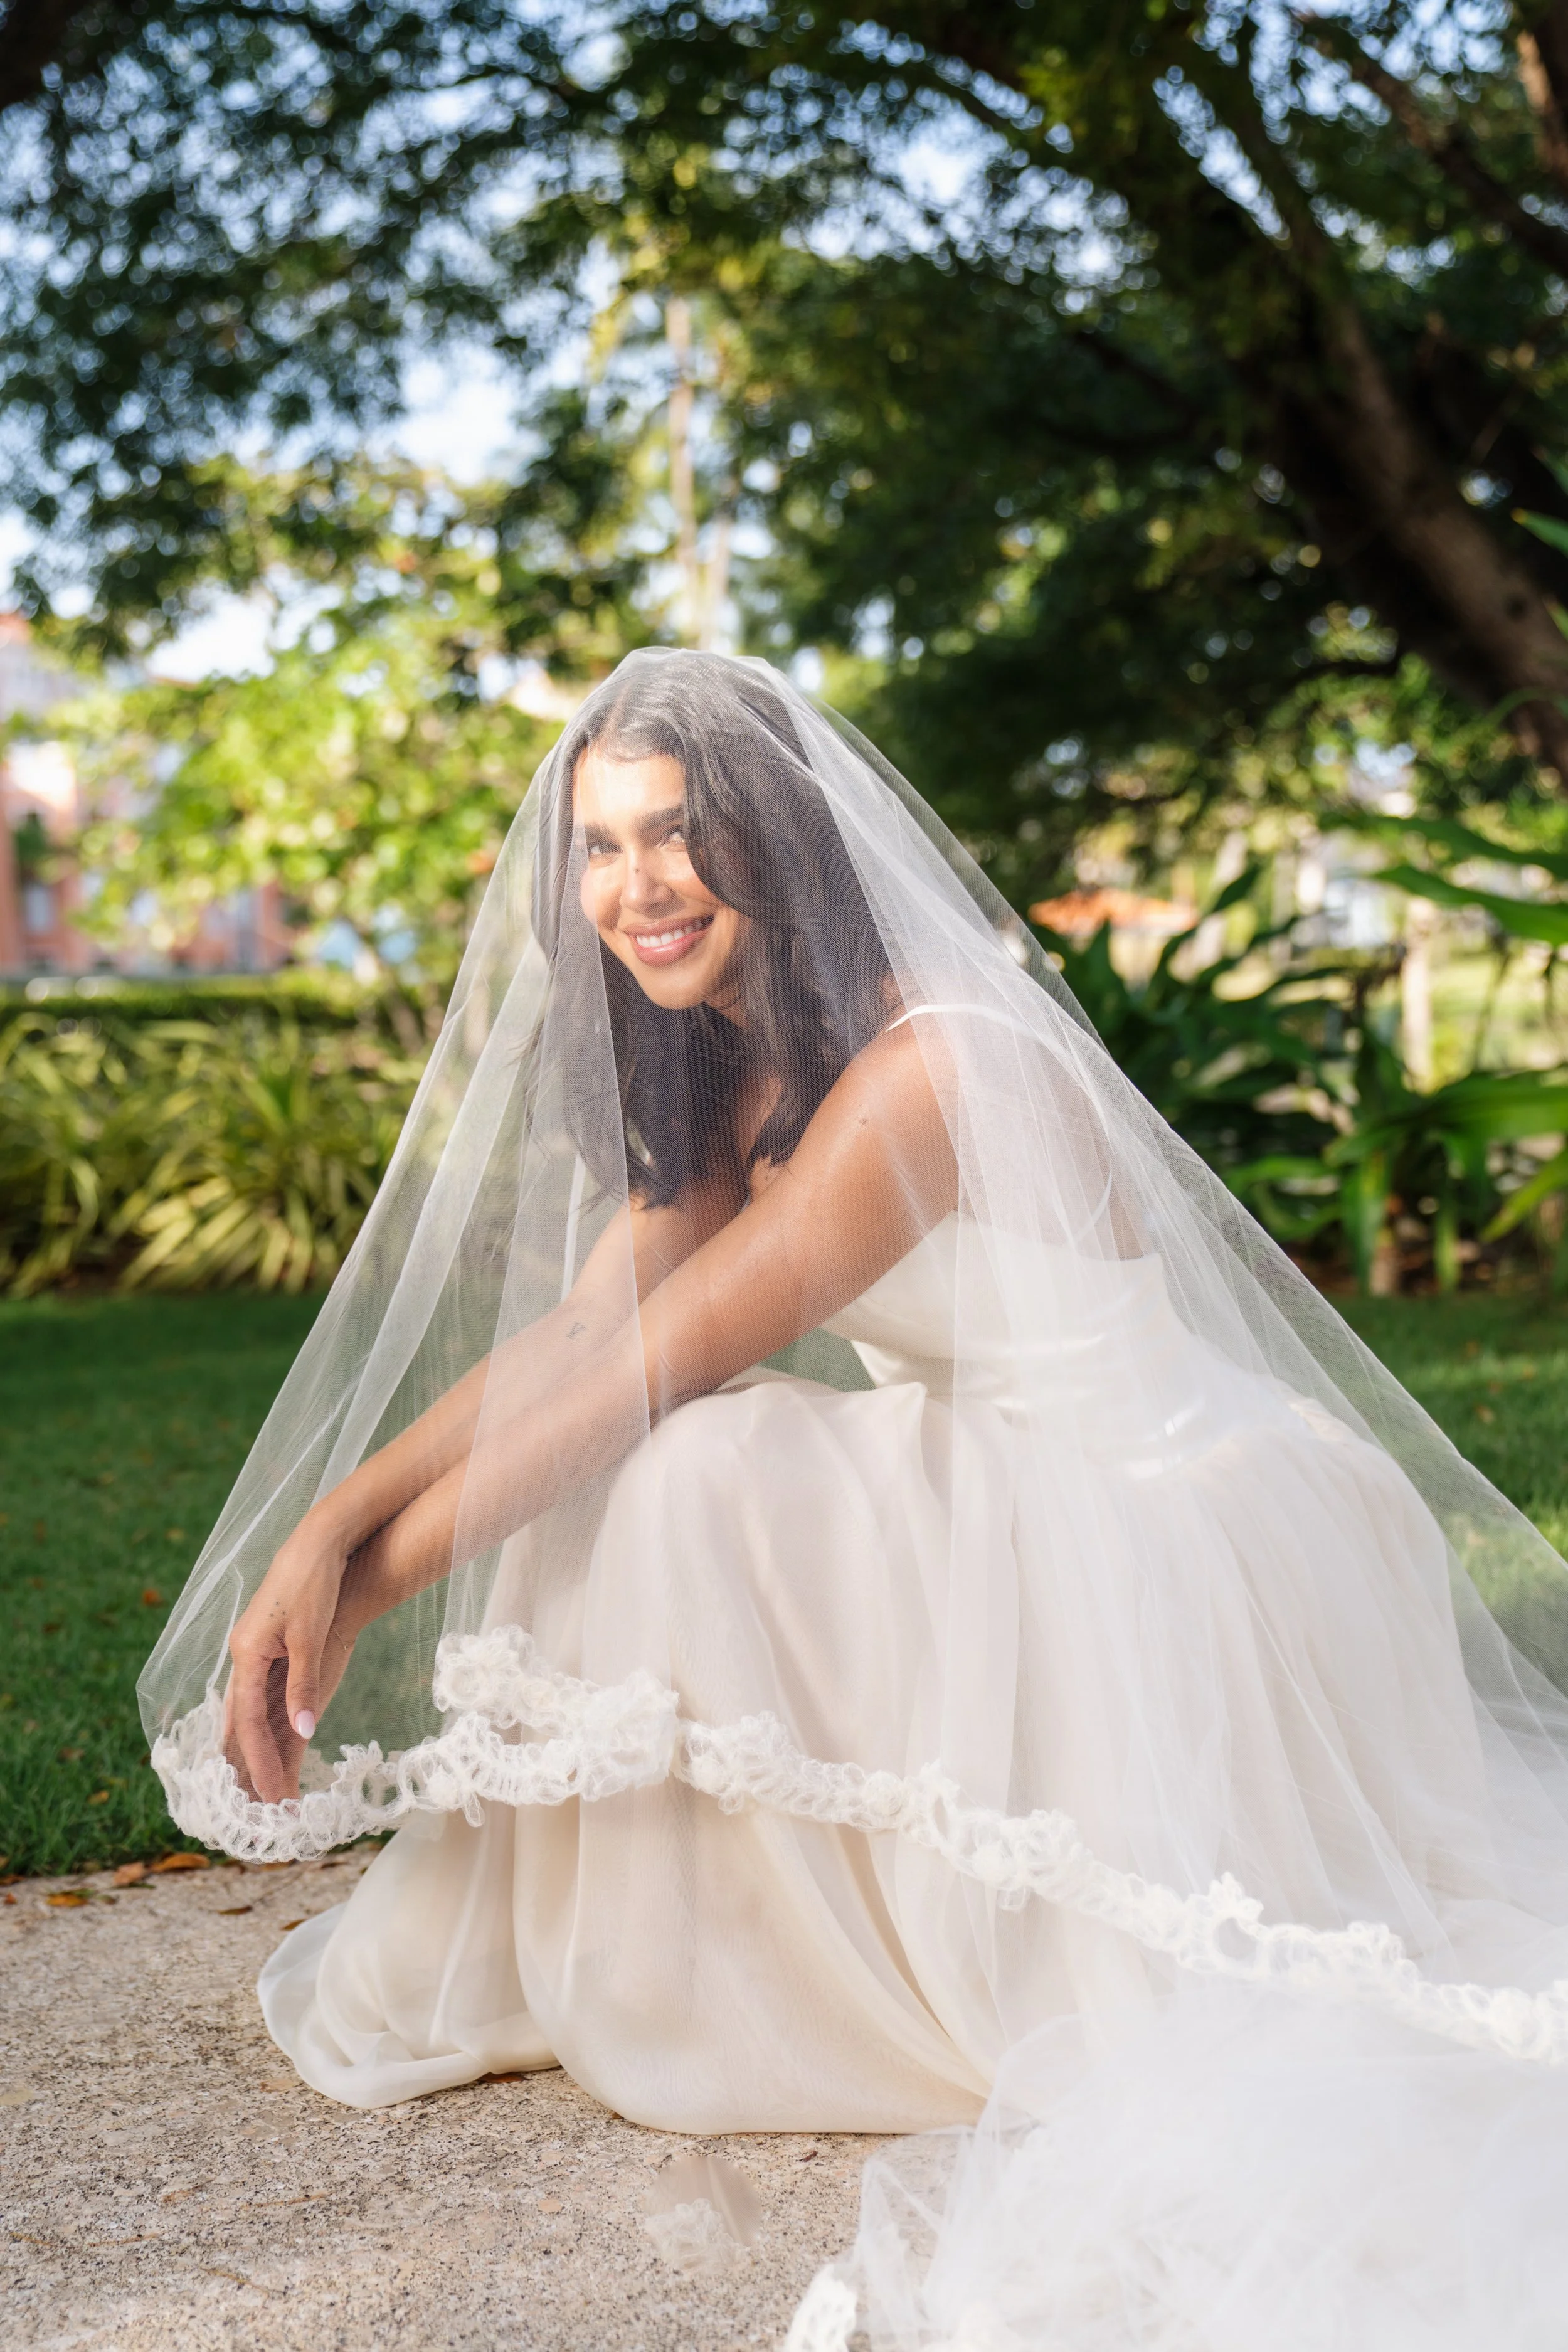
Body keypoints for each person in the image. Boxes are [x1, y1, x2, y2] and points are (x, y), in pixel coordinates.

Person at [142, 650, 1568, 2349]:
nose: (633, 885)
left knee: (702, 1458)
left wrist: (362, 1589)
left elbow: (646, 1373)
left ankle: (766, 1982)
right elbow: (587, 1327)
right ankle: (669, 1949)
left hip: (1176, 1513)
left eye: (677, 834)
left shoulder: (926, 1069)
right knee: (666, 1463)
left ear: (778, 842)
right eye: (597, 847)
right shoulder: (735, 1065)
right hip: (1013, 1490)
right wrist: (326, 1530)